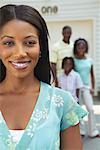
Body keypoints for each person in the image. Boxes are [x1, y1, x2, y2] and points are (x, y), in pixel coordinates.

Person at [0, 4, 87, 149]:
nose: (20, 52)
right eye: (8, 43)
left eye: (29, 42)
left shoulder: (63, 104)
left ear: (41, 47)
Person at [73, 38, 100, 138]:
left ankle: (93, 131)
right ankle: (81, 131)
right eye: (79, 45)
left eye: (83, 45)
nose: (81, 47)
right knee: (78, 109)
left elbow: (92, 75)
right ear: (76, 47)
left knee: (90, 108)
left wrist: (93, 88)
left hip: (87, 88)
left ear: (86, 47)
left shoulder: (89, 60)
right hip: (77, 88)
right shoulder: (74, 60)